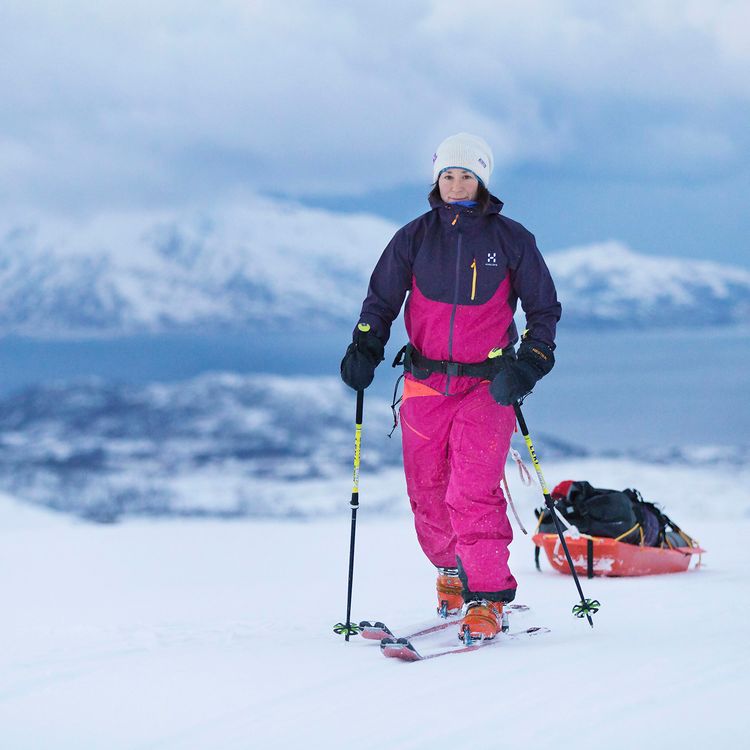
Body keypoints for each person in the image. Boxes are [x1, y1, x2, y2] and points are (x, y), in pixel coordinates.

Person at [340, 133, 561, 641]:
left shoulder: (511, 239)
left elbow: (544, 310)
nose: (457, 184)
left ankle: (486, 597)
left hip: (488, 385)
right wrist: (365, 347)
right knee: (427, 493)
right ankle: (452, 571)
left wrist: (529, 364)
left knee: (472, 491)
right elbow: (380, 302)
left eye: (467, 176)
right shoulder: (414, 238)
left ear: (483, 181)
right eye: (448, 175)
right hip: (423, 383)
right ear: (436, 180)